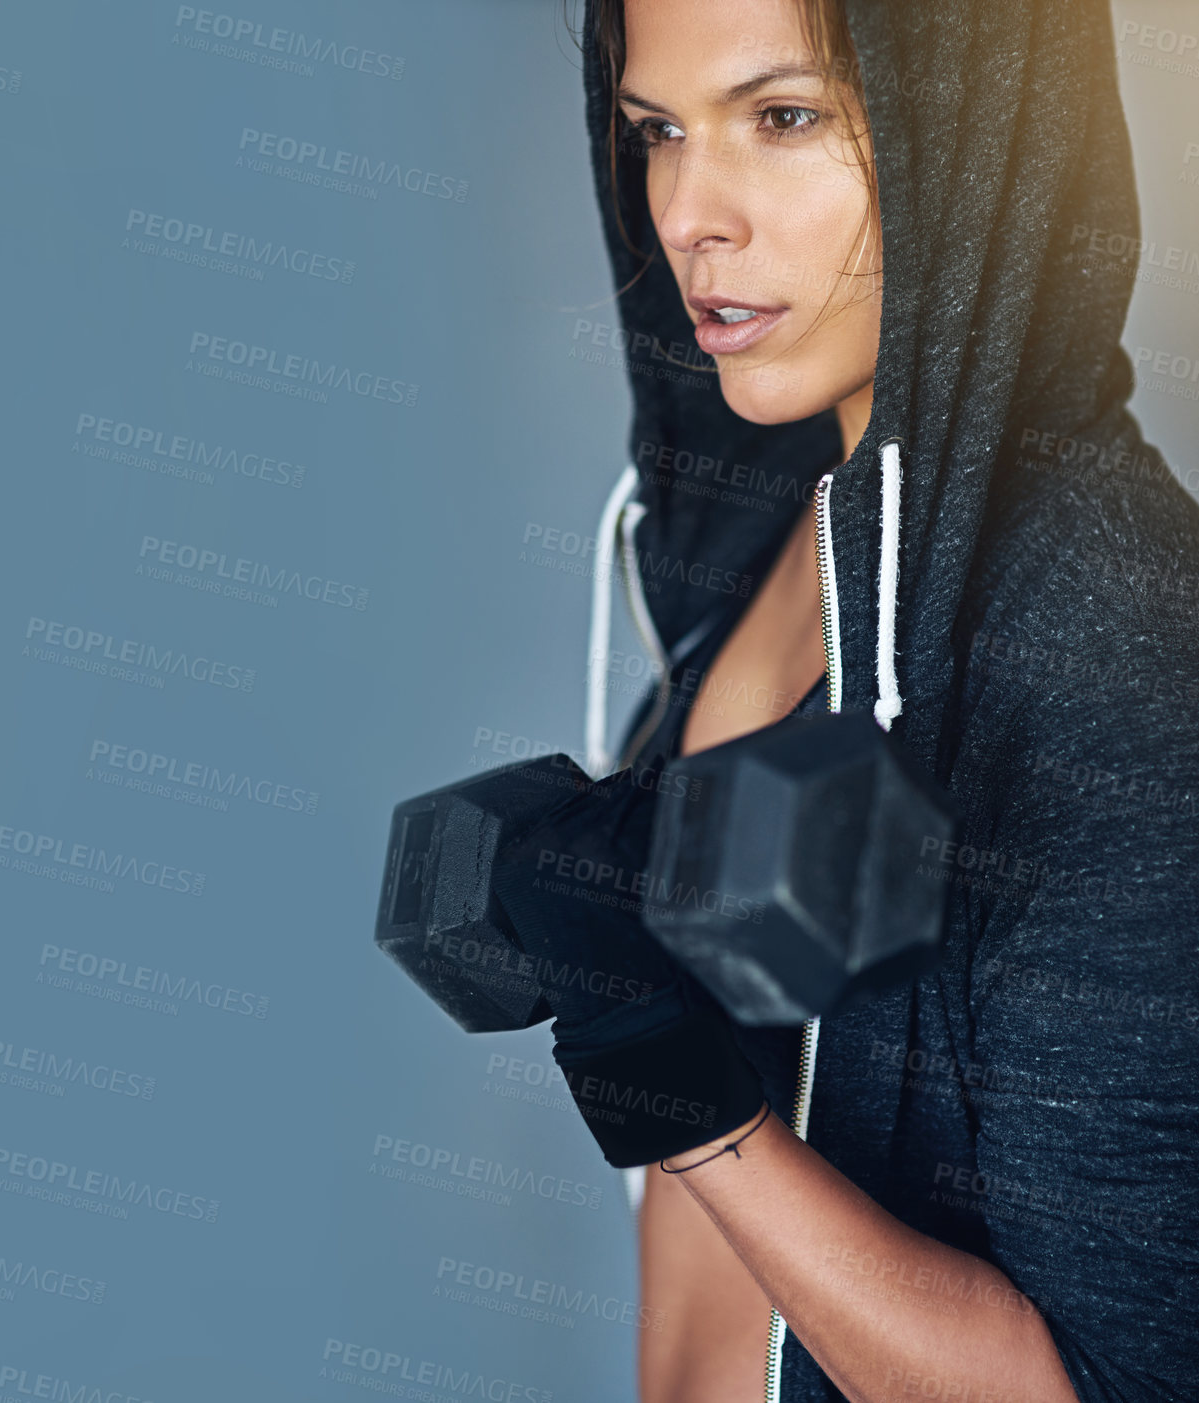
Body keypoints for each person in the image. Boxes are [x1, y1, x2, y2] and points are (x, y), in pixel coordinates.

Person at [510, 0, 1199, 1398]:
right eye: (655, 132)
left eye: (781, 118)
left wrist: (689, 1099)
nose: (688, 215)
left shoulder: (1113, 660)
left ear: (968, 130)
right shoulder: (761, 537)